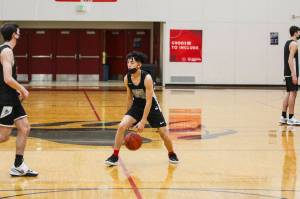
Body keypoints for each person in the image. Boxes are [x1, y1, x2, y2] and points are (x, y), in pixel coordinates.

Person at [105, 51, 179, 166]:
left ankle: (171, 153)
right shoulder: (127, 78)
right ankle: (115, 155)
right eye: (128, 62)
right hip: (137, 104)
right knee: (121, 126)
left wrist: (143, 121)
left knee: (163, 133)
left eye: (132, 62)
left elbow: (149, 101)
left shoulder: (147, 78)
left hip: (151, 105)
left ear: (139, 65)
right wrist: (128, 114)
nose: (129, 64)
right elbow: (129, 98)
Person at [0, 23, 38, 177]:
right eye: (18, 31)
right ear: (14, 34)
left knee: (24, 128)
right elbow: (7, 78)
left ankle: (18, 165)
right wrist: (22, 88)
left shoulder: (7, 50)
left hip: (11, 97)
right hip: (5, 99)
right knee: (3, 136)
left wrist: (17, 91)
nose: (20, 33)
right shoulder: (7, 51)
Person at [280, 26, 300, 125]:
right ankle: (291, 117)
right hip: (291, 73)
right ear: (295, 33)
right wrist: (294, 75)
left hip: (287, 73)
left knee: (288, 93)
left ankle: (283, 117)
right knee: (293, 93)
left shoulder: (287, 43)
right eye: (299, 32)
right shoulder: (294, 44)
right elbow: (290, 60)